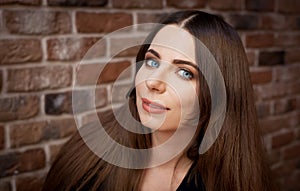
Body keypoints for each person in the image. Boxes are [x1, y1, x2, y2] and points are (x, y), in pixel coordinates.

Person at [42, 10, 275, 191]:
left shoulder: (233, 180)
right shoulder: (89, 157)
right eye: (152, 62)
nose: (154, 82)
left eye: (185, 72)